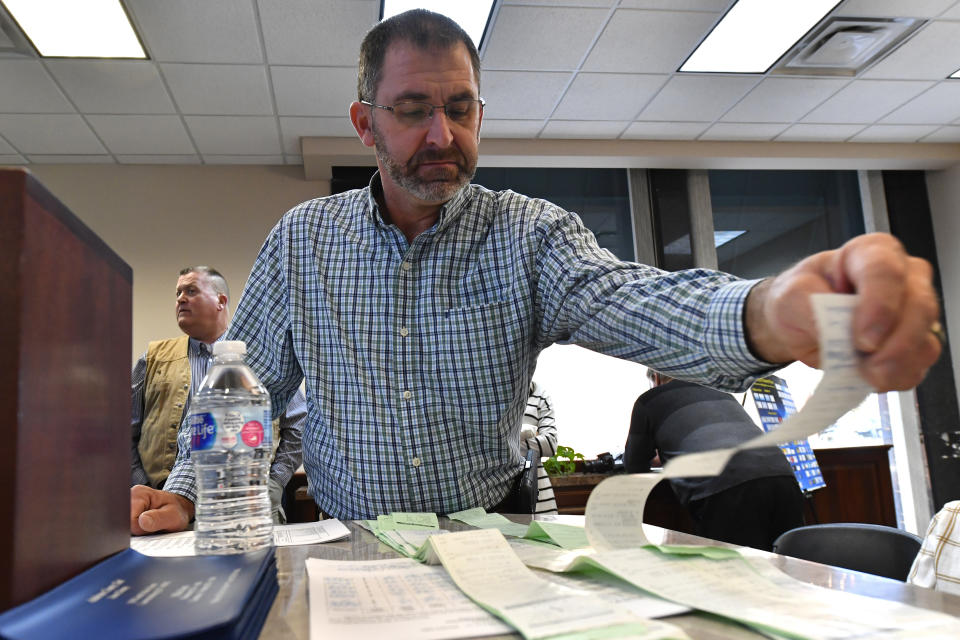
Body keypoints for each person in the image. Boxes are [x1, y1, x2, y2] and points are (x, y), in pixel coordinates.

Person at [130, 10, 941, 533]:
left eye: (461, 108)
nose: (442, 134)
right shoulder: (304, 239)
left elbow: (634, 301)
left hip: (498, 536)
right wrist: (192, 491)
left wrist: (770, 311)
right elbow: (242, 391)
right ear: (365, 122)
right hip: (355, 542)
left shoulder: (528, 234)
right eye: (414, 110)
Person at [130, 266, 305, 524]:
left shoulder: (260, 359)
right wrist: (144, 485)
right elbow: (125, 432)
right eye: (178, 293)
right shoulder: (153, 359)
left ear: (221, 300)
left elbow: (298, 425)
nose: (180, 298)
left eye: (191, 290)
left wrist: (275, 480)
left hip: (248, 503)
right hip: (164, 501)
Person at [624, 370, 805, 551]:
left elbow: (634, 464)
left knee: (737, 570)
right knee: (791, 563)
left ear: (655, 378)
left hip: (726, 485)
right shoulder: (722, 393)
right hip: (782, 475)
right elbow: (719, 437)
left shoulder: (649, 400)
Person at [520, 381, 559, 515]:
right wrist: (528, 433)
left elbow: (550, 444)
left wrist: (509, 442)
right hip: (500, 493)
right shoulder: (489, 395)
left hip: (539, 492)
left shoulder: (539, 394)